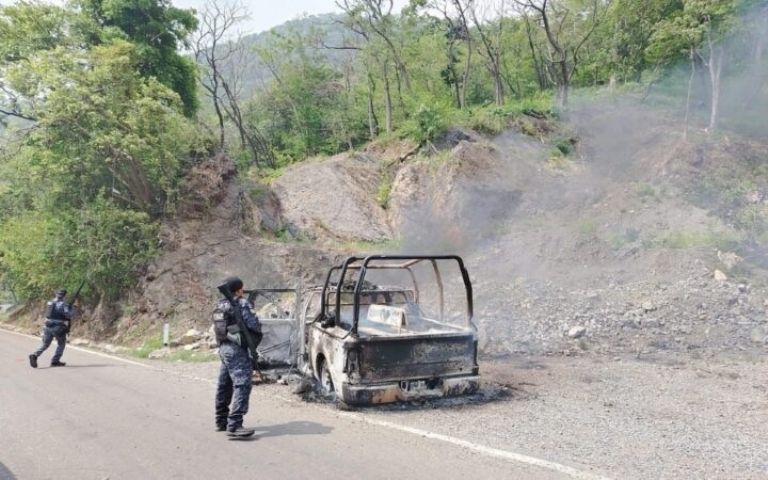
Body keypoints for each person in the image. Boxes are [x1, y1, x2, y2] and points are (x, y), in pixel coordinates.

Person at [213, 276, 262, 438]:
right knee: (242, 384)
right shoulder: (240, 303)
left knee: (225, 384)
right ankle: (234, 424)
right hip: (236, 349)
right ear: (239, 289)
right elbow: (253, 325)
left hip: (223, 347)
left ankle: (221, 421)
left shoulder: (221, 304)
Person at [29, 289, 74, 368]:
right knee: (61, 344)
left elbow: (48, 314)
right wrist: (73, 309)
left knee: (45, 344)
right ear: (64, 296)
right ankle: (55, 361)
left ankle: (34, 355)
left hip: (47, 326)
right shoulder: (64, 305)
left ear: (56, 295)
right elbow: (69, 316)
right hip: (58, 327)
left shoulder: (50, 302)